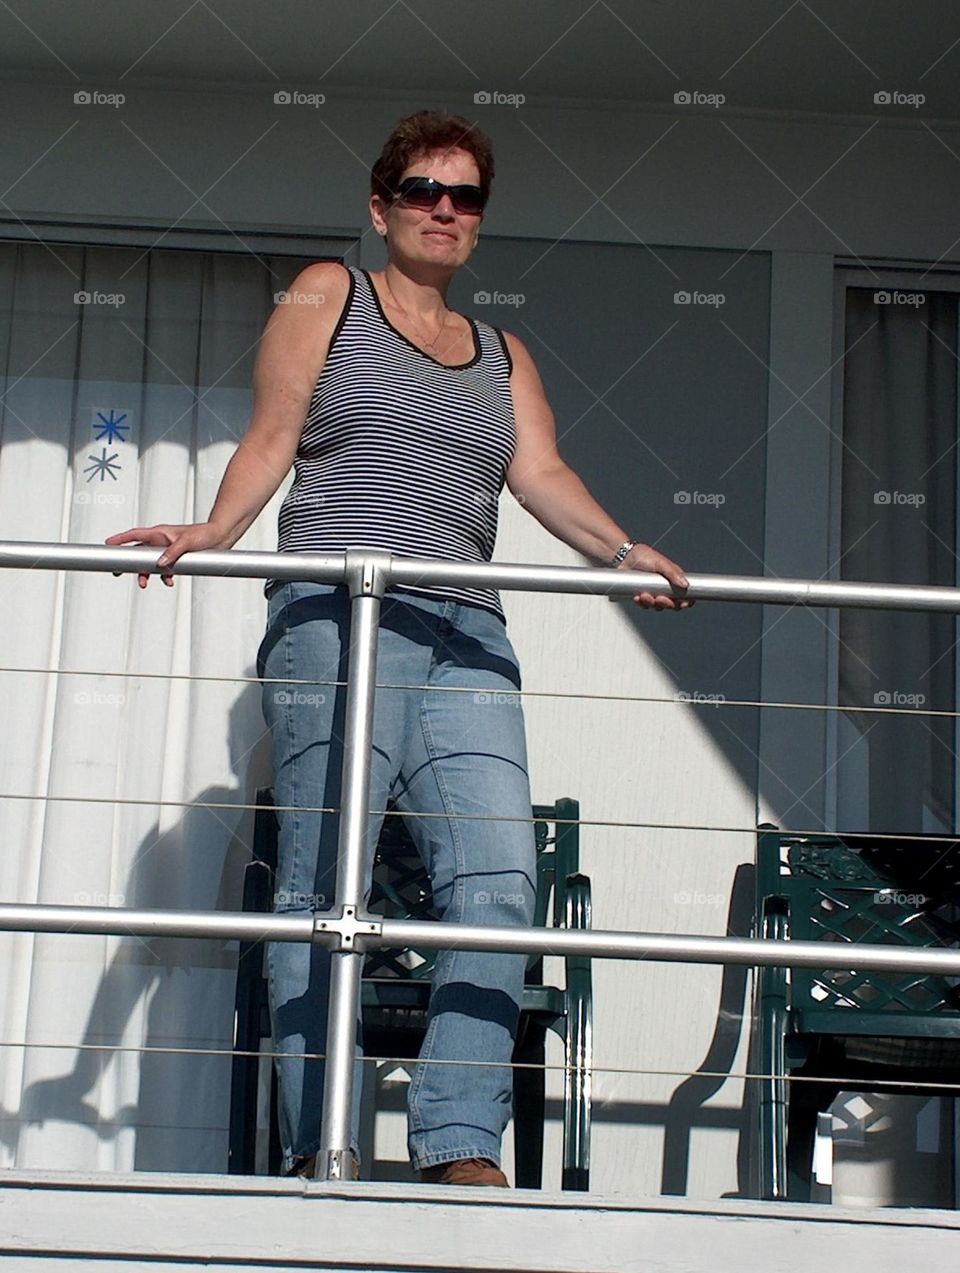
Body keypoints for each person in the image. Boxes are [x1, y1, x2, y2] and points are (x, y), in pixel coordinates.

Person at [107, 108, 693, 1187]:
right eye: (423, 190)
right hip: (342, 617)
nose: (444, 210)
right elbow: (273, 433)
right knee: (324, 892)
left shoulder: (501, 352)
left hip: (467, 629)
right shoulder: (330, 293)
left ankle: (458, 1139)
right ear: (381, 208)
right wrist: (212, 532)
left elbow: (542, 476)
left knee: (500, 880)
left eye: (465, 196)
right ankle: (316, 1140)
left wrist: (622, 554)